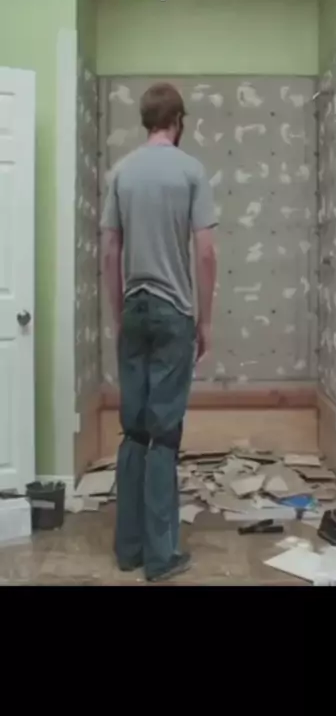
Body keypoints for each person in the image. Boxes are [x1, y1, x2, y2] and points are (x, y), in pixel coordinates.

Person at [100, 82, 217, 582]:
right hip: (173, 314)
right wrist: (204, 321)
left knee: (134, 430)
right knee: (163, 435)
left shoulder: (121, 172)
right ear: (178, 120)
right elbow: (205, 253)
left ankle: (128, 549)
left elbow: (109, 251)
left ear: (147, 120)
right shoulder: (191, 171)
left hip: (134, 307)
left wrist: (118, 315)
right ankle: (161, 556)